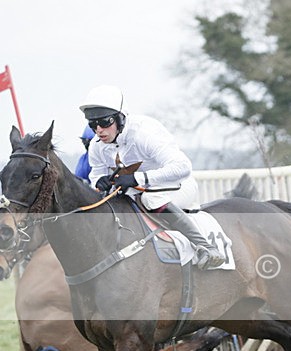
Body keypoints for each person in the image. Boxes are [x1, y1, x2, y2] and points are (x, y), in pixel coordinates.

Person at [79, 85, 225, 270]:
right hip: (139, 192)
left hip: (178, 186)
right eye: (93, 125)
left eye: (105, 122)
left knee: (151, 198)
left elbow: (183, 167)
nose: (99, 130)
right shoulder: (96, 145)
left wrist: (137, 179)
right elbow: (96, 176)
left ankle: (207, 247)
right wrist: (99, 182)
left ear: (120, 118)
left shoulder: (144, 134)